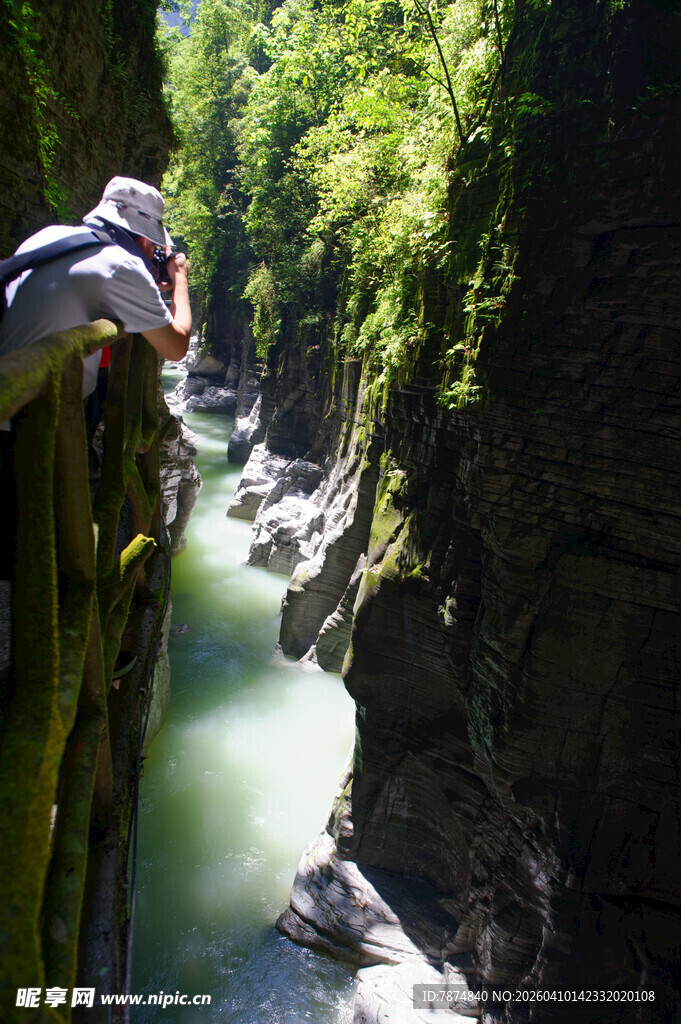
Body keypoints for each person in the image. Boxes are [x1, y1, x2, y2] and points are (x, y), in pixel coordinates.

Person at [0, 175, 192, 385]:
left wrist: (148, 286)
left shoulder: (46, 235)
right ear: (146, 239)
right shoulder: (123, 264)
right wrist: (180, 276)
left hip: (9, 383)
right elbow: (176, 348)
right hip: (42, 401)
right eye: (155, 245)